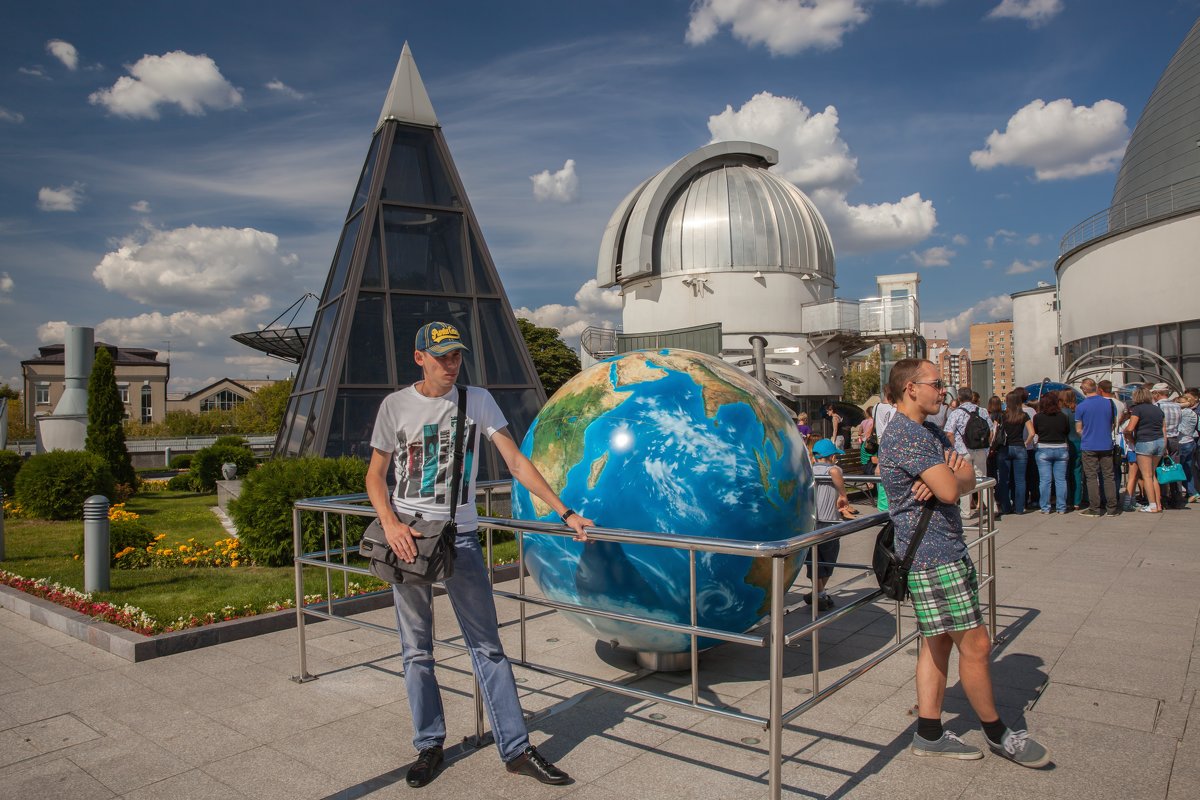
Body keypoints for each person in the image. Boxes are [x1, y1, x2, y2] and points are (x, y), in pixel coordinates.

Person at [366, 321, 594, 789]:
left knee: (487, 646)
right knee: (417, 649)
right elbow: (376, 475)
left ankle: (516, 748)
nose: (451, 365)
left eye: (456, 356)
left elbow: (515, 462)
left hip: (461, 537)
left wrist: (564, 512)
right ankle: (429, 745)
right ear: (419, 358)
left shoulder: (478, 400)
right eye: (441, 356)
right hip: (408, 537)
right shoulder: (395, 406)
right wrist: (390, 524)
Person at [879, 358, 1049, 767]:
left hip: (940, 551)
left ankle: (929, 732)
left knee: (936, 645)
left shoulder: (930, 430)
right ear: (910, 389)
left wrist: (952, 475)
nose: (944, 392)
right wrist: (948, 478)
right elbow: (954, 492)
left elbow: (968, 479)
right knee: (976, 645)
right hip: (934, 557)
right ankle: (998, 734)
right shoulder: (908, 436)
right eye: (936, 384)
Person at [807, 439, 850, 611]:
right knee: (828, 560)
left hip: (811, 524)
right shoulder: (833, 469)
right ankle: (819, 594)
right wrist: (843, 494)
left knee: (814, 561)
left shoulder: (809, 470)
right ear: (832, 456)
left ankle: (819, 593)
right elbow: (834, 471)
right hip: (829, 523)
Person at [944, 387, 991, 519]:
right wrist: (986, 447)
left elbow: (949, 433)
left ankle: (966, 512)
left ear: (959, 398)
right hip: (981, 449)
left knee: (964, 479)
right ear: (972, 397)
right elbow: (991, 431)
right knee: (984, 479)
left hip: (962, 451)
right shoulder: (982, 411)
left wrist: (953, 448)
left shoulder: (956, 413)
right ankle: (991, 507)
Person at [1124, 383, 1166, 513]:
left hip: (1145, 441)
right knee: (1153, 475)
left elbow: (1130, 428)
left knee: (1146, 476)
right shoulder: (1158, 409)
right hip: (1159, 441)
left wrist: (1129, 437)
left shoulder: (1138, 409)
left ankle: (1152, 505)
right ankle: (1158, 504)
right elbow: (1164, 430)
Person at [995, 391, 1035, 515]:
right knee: (1020, 480)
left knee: (1004, 480)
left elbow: (994, 432)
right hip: (1020, 448)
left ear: (1007, 401)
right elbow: (1032, 433)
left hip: (1004, 449)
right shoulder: (1023, 415)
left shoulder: (1001, 415)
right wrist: (1026, 443)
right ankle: (1019, 508)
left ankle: (1006, 508)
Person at [1033, 392, 1071, 514]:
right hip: (1061, 447)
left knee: (1045, 480)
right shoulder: (1063, 416)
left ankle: (1045, 507)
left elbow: (1036, 431)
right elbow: (1067, 431)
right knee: (1061, 480)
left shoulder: (1038, 417)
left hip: (1044, 448)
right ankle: (1061, 507)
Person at [1153, 383, 1184, 509]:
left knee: (1161, 469)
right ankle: (1176, 497)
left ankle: (1163, 497)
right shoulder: (1177, 406)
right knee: (1174, 467)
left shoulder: (1157, 406)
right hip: (1175, 439)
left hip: (1162, 438)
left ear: (1157, 393)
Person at [1059, 389, 1082, 510]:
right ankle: (1077, 500)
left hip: (1066, 443)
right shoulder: (1078, 410)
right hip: (1078, 442)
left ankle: (1068, 499)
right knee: (1077, 472)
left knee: (1064, 474)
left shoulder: (1061, 412)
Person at [1178, 392, 1199, 502]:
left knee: (1179, 470)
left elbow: (1182, 429)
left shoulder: (1184, 413)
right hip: (1191, 442)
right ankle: (1192, 492)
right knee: (1188, 469)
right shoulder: (1193, 413)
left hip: (1183, 442)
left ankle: (1188, 492)